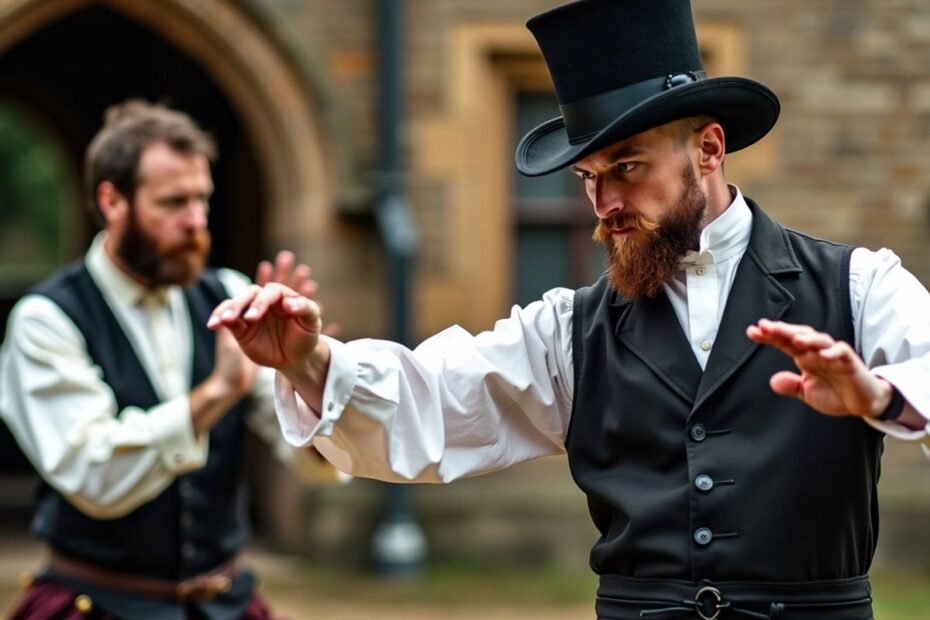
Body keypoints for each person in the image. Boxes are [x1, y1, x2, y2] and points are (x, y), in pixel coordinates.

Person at [210, 1, 930, 618]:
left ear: (708, 148)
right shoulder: (569, 330)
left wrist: (879, 396)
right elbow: (432, 398)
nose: (604, 203)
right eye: (590, 177)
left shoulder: (858, 287)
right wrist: (308, 360)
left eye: (628, 167)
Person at [0, 100, 342, 620]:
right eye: (174, 202)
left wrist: (309, 376)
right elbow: (94, 474)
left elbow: (308, 456)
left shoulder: (230, 293)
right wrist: (216, 392)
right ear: (112, 201)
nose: (197, 222)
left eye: (203, 199)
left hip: (224, 603)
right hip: (97, 606)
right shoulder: (46, 319)